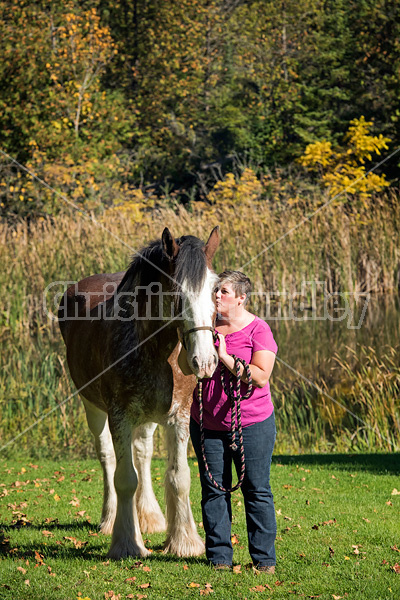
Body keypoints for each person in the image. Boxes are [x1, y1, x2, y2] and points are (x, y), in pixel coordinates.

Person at [178, 270, 278, 573]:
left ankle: (263, 561)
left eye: (222, 291)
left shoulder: (258, 330)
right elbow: (184, 366)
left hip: (252, 424)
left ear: (241, 298)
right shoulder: (205, 326)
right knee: (213, 490)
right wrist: (196, 346)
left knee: (256, 489)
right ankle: (219, 559)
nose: (216, 296)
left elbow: (260, 377)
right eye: (215, 291)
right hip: (207, 423)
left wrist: (224, 356)